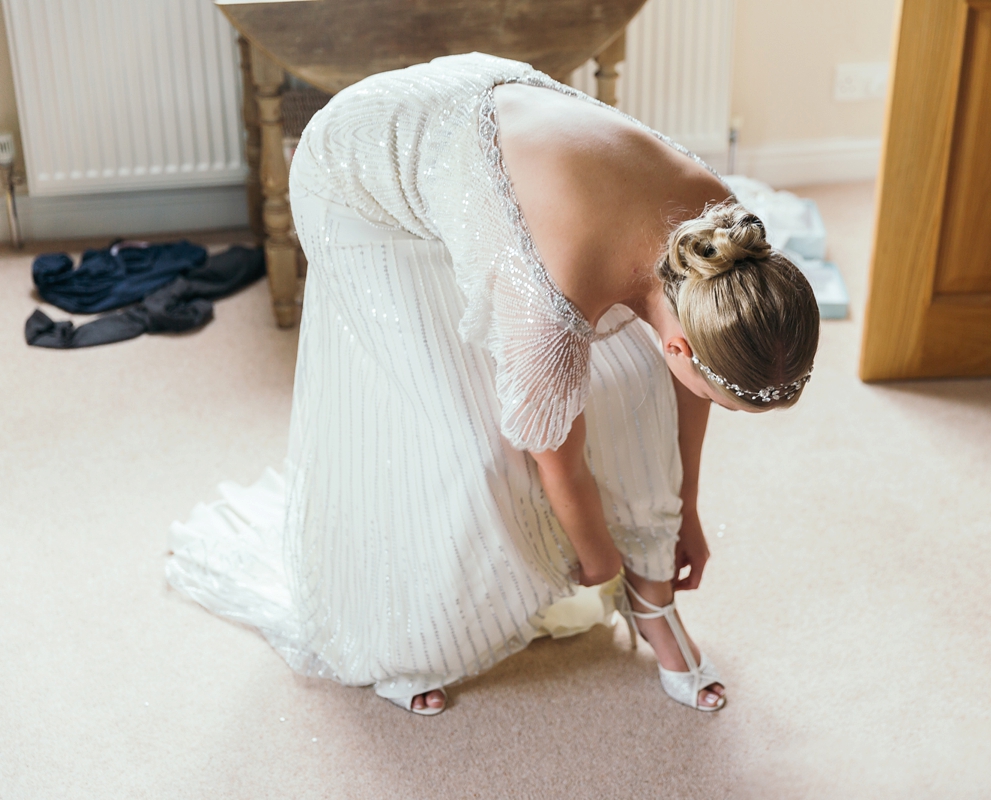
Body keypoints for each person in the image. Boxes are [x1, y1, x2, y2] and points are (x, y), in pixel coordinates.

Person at [166, 53, 818, 716]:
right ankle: (406, 644)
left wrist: (689, 507)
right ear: (683, 342)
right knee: (464, 444)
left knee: (644, 388)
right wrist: (600, 562)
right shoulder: (557, 293)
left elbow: (684, 386)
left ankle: (656, 614)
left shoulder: (728, 251)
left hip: (490, 158)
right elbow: (556, 460)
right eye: (718, 396)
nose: (708, 402)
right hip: (357, 179)